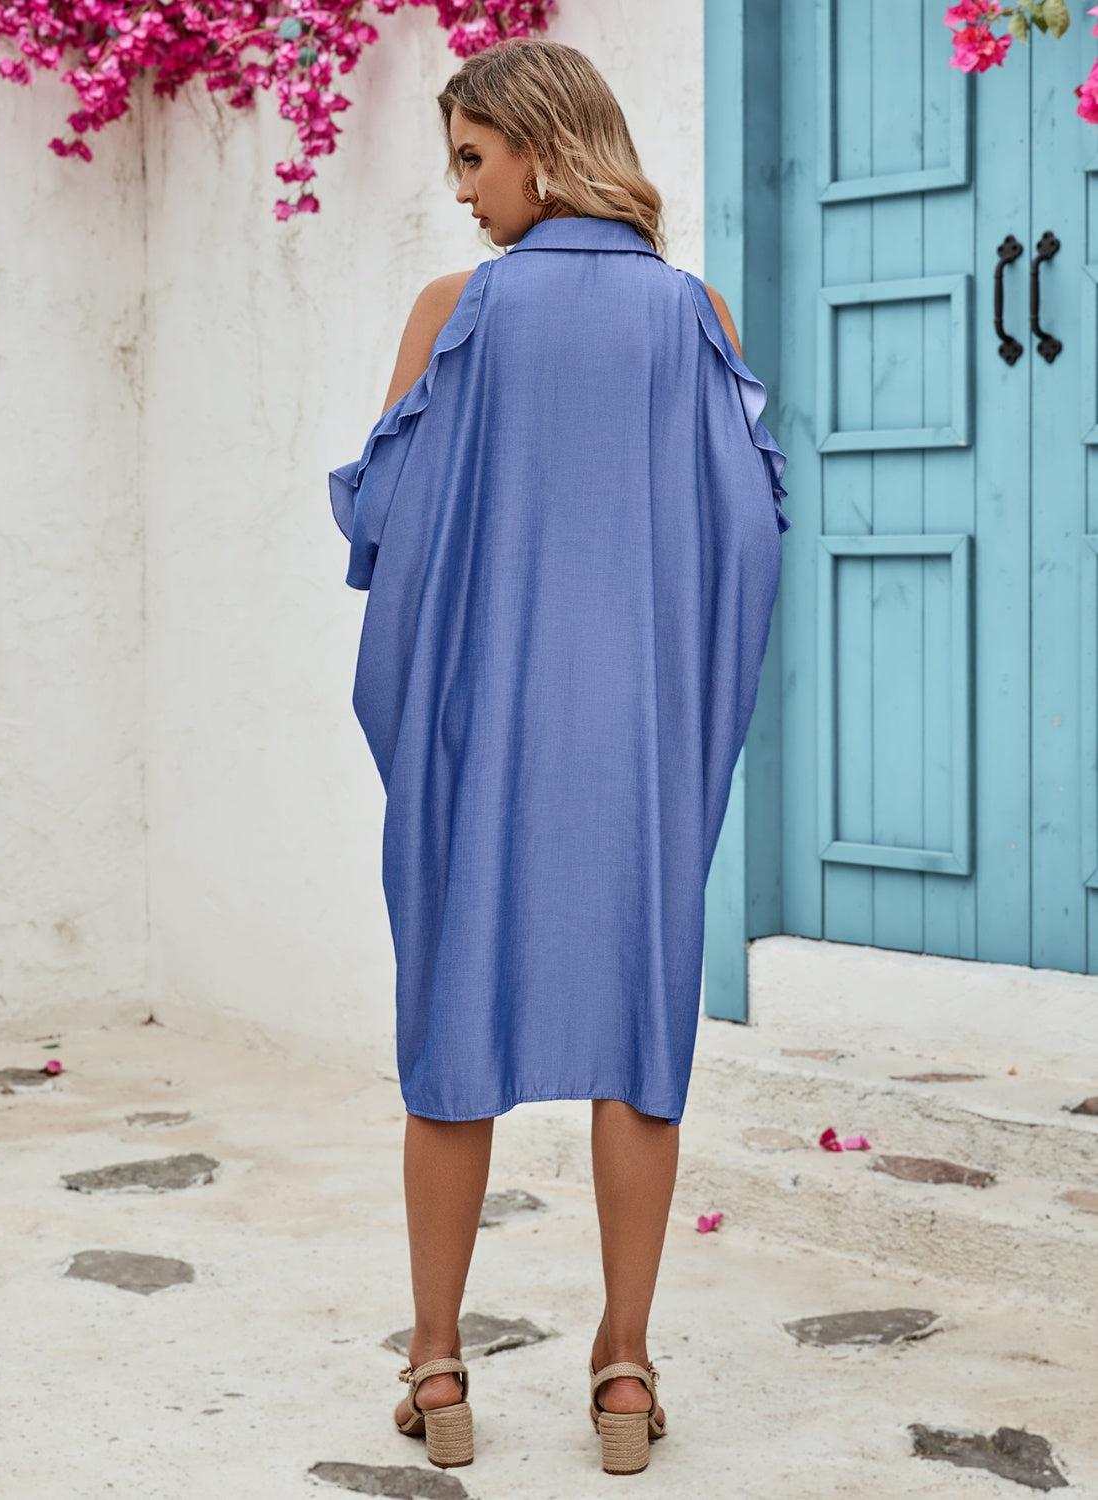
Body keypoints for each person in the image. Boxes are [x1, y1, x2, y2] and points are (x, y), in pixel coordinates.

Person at [327, 36, 790, 1476]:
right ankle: (627, 1377)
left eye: (471, 159)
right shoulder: (692, 318)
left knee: (449, 1044)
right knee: (638, 1053)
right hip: (635, 751)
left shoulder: (456, 313)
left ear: (537, 143)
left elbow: (382, 528)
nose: (462, 193)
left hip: (483, 736)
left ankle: (438, 1364)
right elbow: (747, 545)